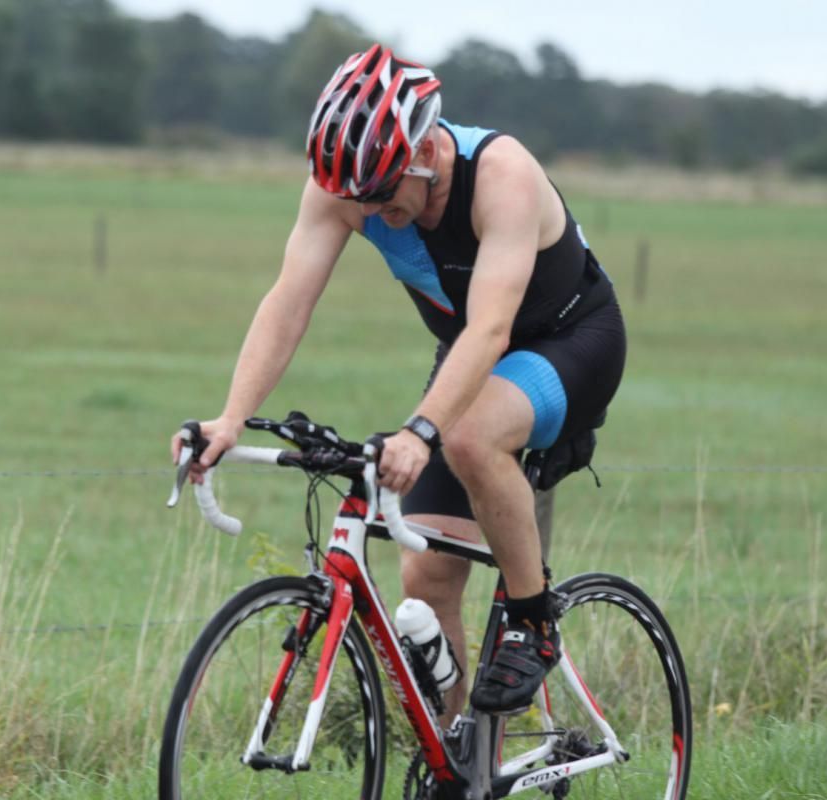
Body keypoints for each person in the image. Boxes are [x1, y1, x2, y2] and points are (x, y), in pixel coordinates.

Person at [170, 44, 626, 718]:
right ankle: (454, 759)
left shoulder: (500, 174)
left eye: (384, 194)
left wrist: (420, 433)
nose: (371, 210)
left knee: (469, 438)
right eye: (357, 198)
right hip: (469, 354)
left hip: (570, 339)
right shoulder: (348, 189)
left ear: (425, 152)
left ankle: (533, 621)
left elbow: (491, 331)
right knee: (426, 578)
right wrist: (231, 418)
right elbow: (289, 301)